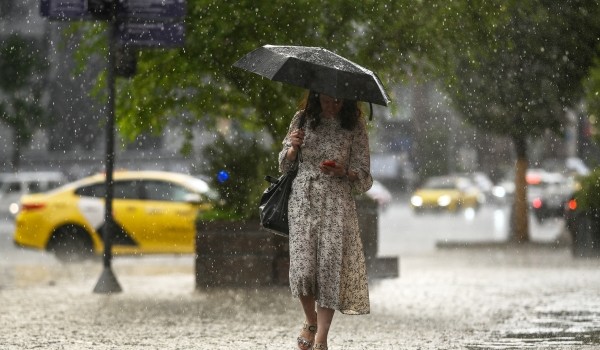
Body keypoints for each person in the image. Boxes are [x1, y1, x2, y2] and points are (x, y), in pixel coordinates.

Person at [279, 91, 373, 350]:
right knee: (303, 268)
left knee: (329, 268)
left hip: (336, 202)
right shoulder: (302, 119)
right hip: (303, 199)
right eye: (329, 99)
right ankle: (310, 321)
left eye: (339, 99)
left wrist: (344, 171)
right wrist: (291, 148)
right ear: (317, 96)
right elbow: (284, 166)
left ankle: (321, 337)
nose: (334, 104)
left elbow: (365, 175)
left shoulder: (354, 125)